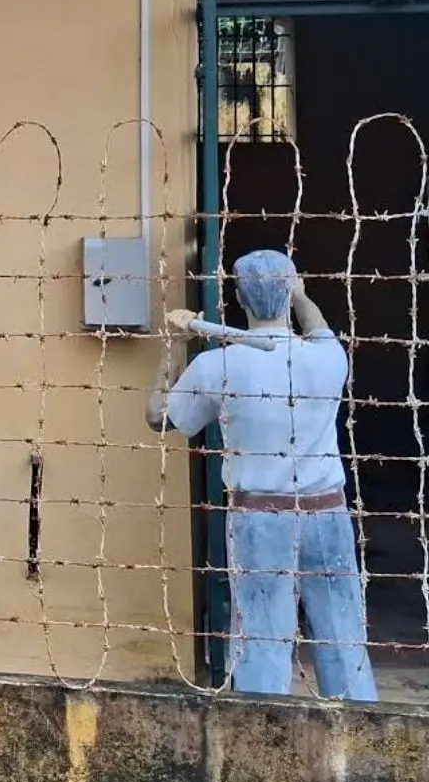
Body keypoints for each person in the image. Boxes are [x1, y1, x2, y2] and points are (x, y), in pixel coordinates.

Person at [148, 249, 377, 701]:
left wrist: (173, 343)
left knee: (261, 635)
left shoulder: (218, 365)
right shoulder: (329, 358)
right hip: (327, 511)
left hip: (259, 517)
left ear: (237, 296)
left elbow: (159, 417)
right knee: (343, 633)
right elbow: (316, 326)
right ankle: (361, 731)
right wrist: (300, 295)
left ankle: (262, 731)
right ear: (291, 292)